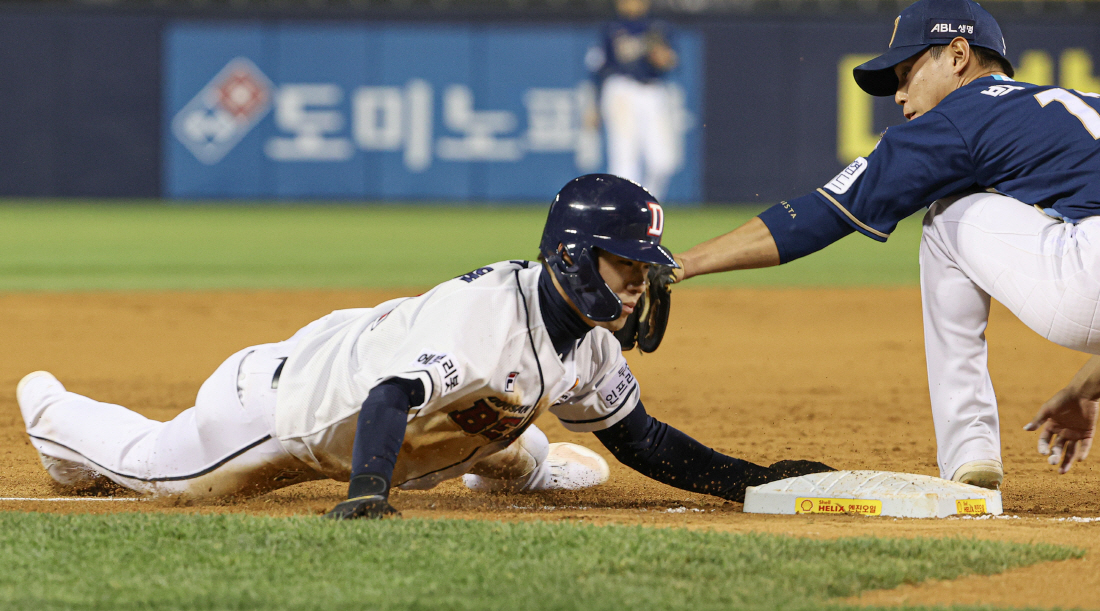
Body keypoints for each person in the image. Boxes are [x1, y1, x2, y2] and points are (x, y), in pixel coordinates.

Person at [17, 174, 832, 518]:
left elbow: (643, 440)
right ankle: (57, 416)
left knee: (499, 414)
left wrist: (755, 480)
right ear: (576, 259)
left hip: (376, 362)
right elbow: (385, 401)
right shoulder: (485, 320)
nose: (637, 287)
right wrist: (369, 493)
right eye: (626, 266)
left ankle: (526, 461)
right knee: (169, 482)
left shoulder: (583, 337)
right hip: (279, 409)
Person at [669, 0, 1100, 489]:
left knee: (945, 220)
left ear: (958, 55)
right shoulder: (1070, 105)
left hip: (1088, 274)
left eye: (906, 72)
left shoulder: (963, 113)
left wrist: (683, 263)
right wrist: (1086, 387)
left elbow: (823, 213)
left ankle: (969, 453)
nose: (898, 95)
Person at [587, 0, 680, 201]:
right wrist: (593, 105)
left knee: (663, 161)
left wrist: (663, 57)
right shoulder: (610, 28)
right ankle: (625, 213)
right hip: (622, 90)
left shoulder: (659, 27)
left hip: (653, 91)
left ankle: (647, 207)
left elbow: (672, 62)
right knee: (624, 162)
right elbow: (597, 69)